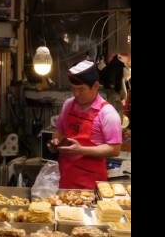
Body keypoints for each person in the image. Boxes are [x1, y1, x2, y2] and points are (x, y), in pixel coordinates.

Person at [47, 60, 122, 189]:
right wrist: (55, 142)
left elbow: (115, 149)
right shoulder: (68, 104)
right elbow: (59, 130)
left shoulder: (108, 113)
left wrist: (81, 150)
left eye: (81, 89)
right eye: (73, 89)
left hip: (90, 183)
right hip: (65, 177)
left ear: (95, 86)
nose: (76, 94)